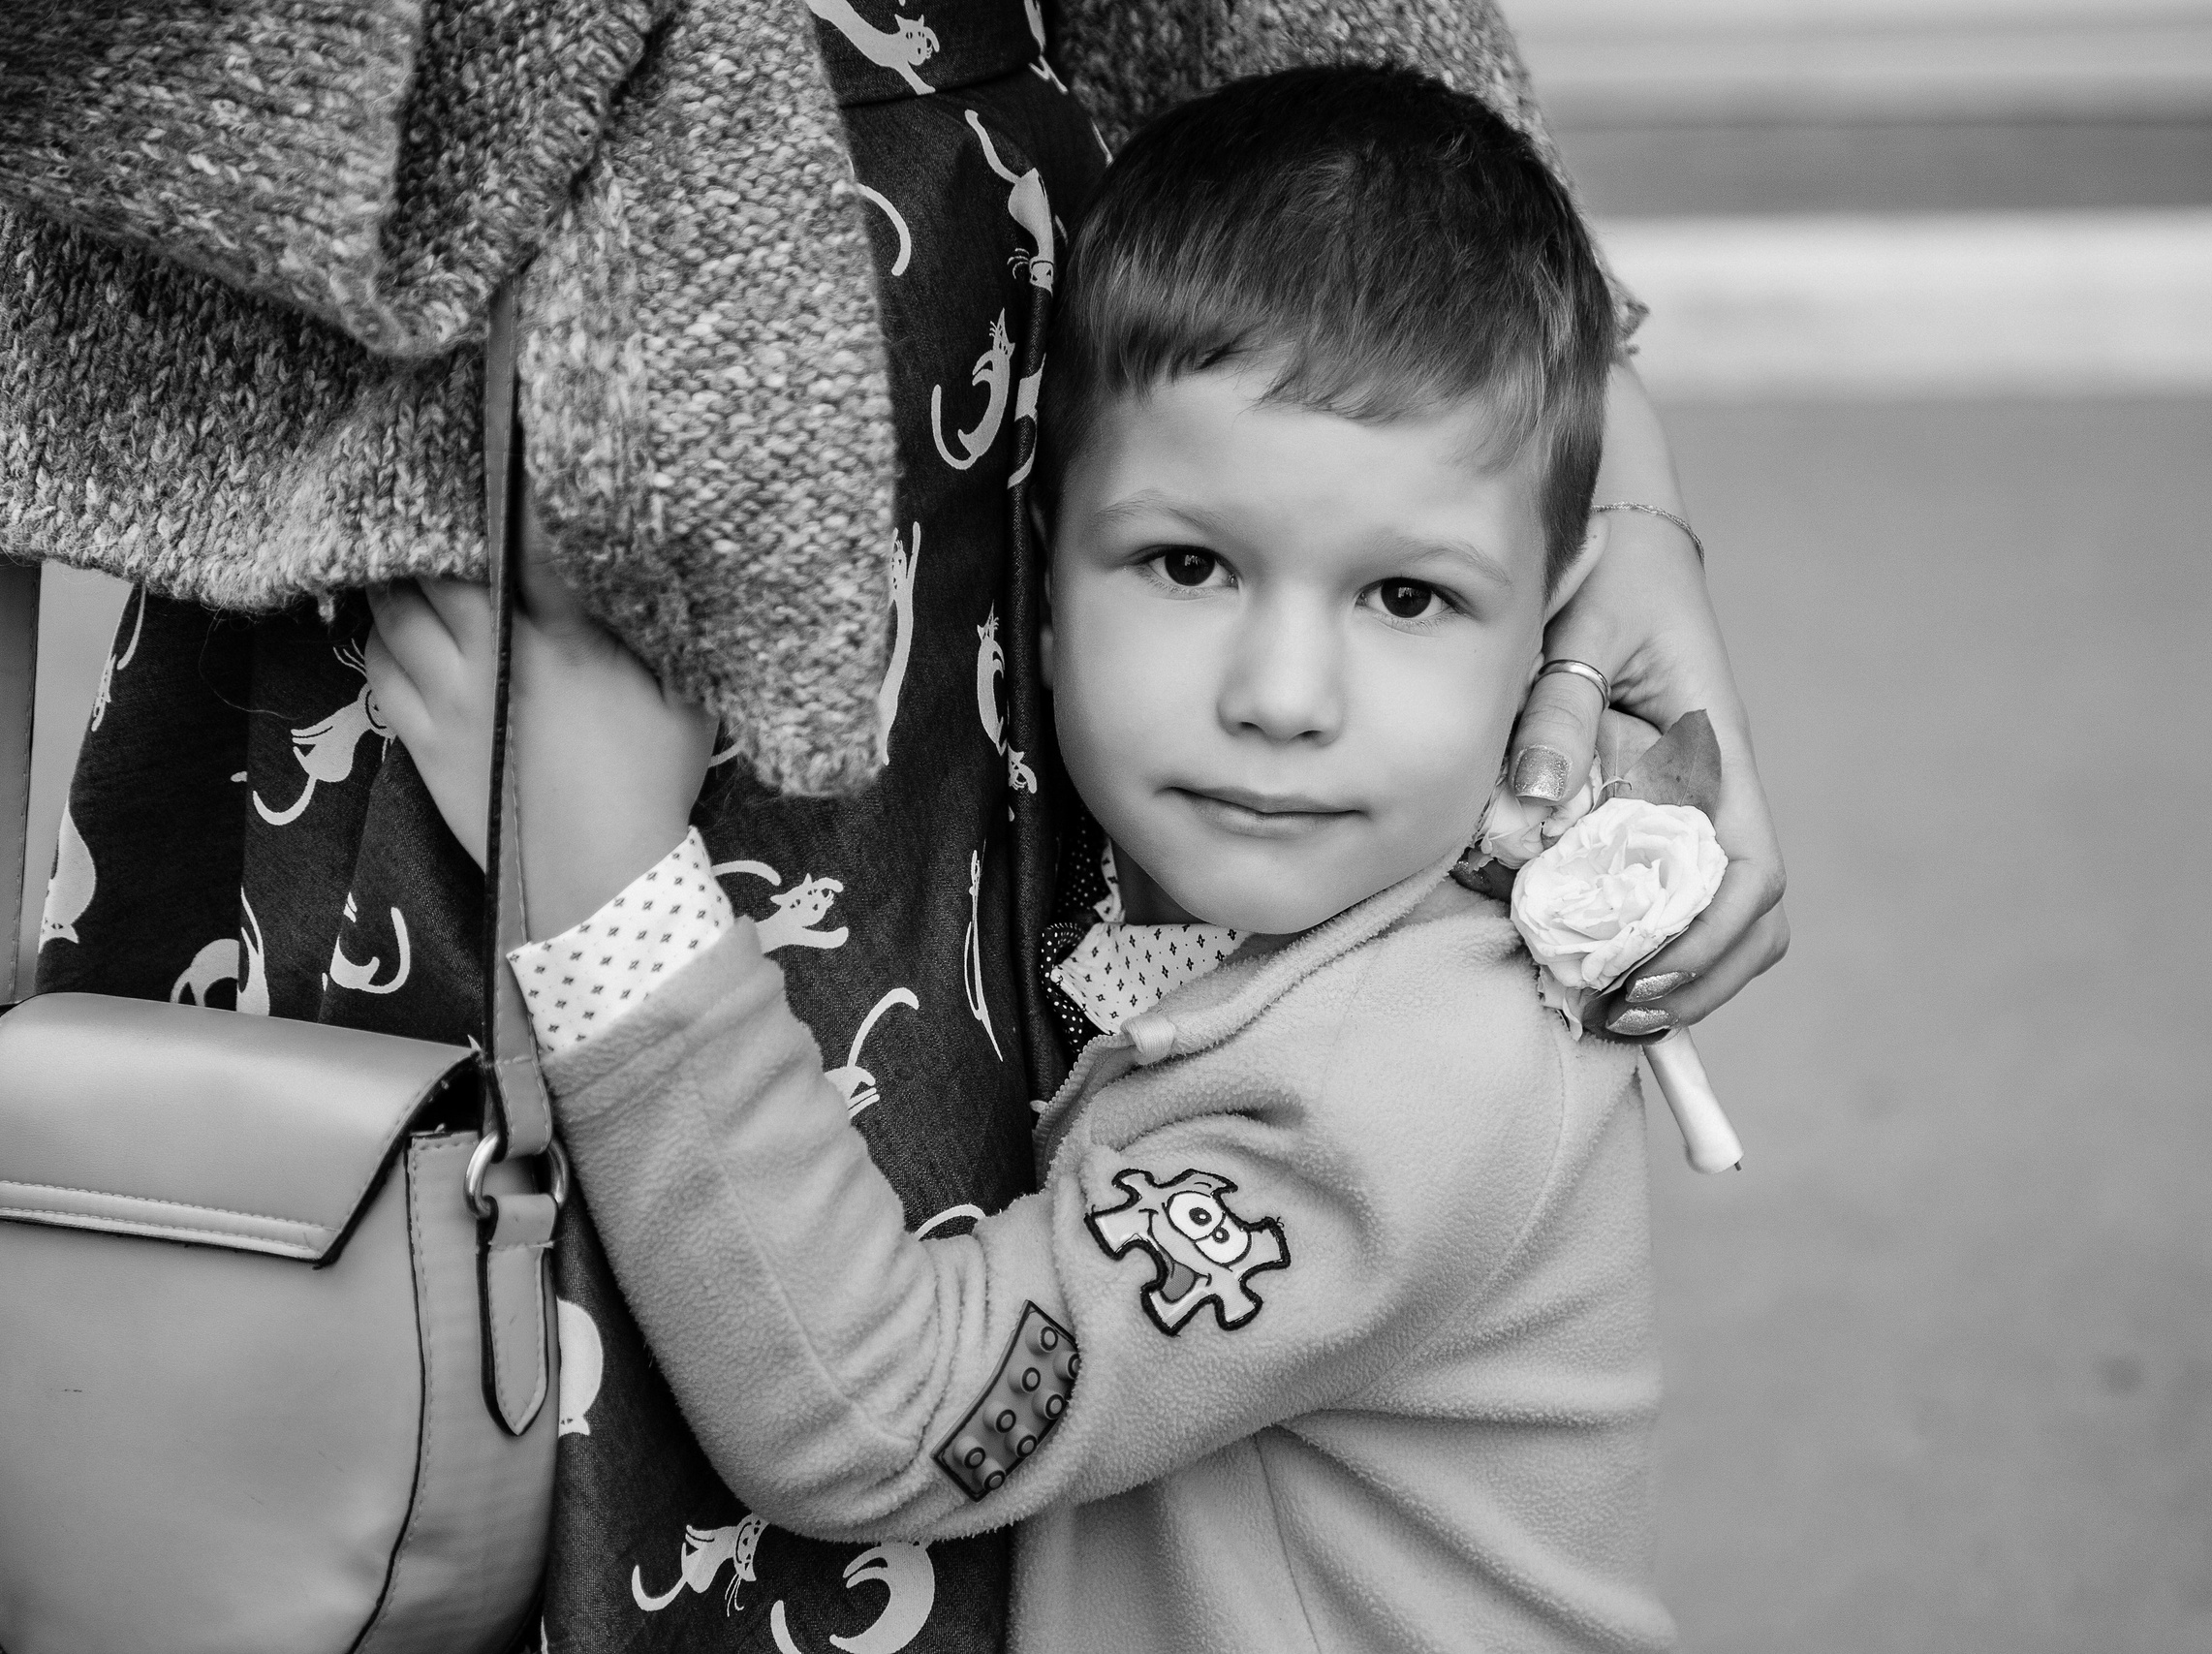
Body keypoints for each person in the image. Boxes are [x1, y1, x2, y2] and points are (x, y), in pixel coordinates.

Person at [366, 66, 1689, 1650]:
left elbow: (889, 1418)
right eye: (1189, 563)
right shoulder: (1366, 905)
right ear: (1040, 570)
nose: (1280, 700)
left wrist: (608, 895)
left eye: (1406, 599)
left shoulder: (1401, 1090)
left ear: (1562, 614)